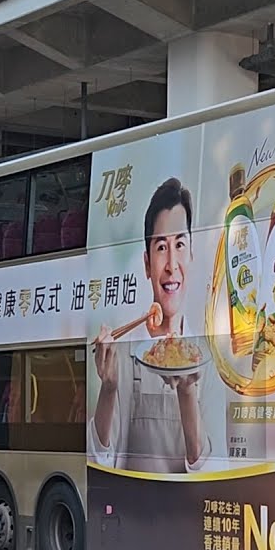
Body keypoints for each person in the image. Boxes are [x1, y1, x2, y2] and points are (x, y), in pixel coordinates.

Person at [88, 177, 216, 473]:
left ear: (192, 255)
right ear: (147, 264)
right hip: (130, 507)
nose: (171, 264)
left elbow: (209, 469)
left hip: (185, 512)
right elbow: (100, 459)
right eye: (161, 248)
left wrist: (186, 394)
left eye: (180, 245)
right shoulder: (123, 349)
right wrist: (108, 389)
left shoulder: (208, 357)